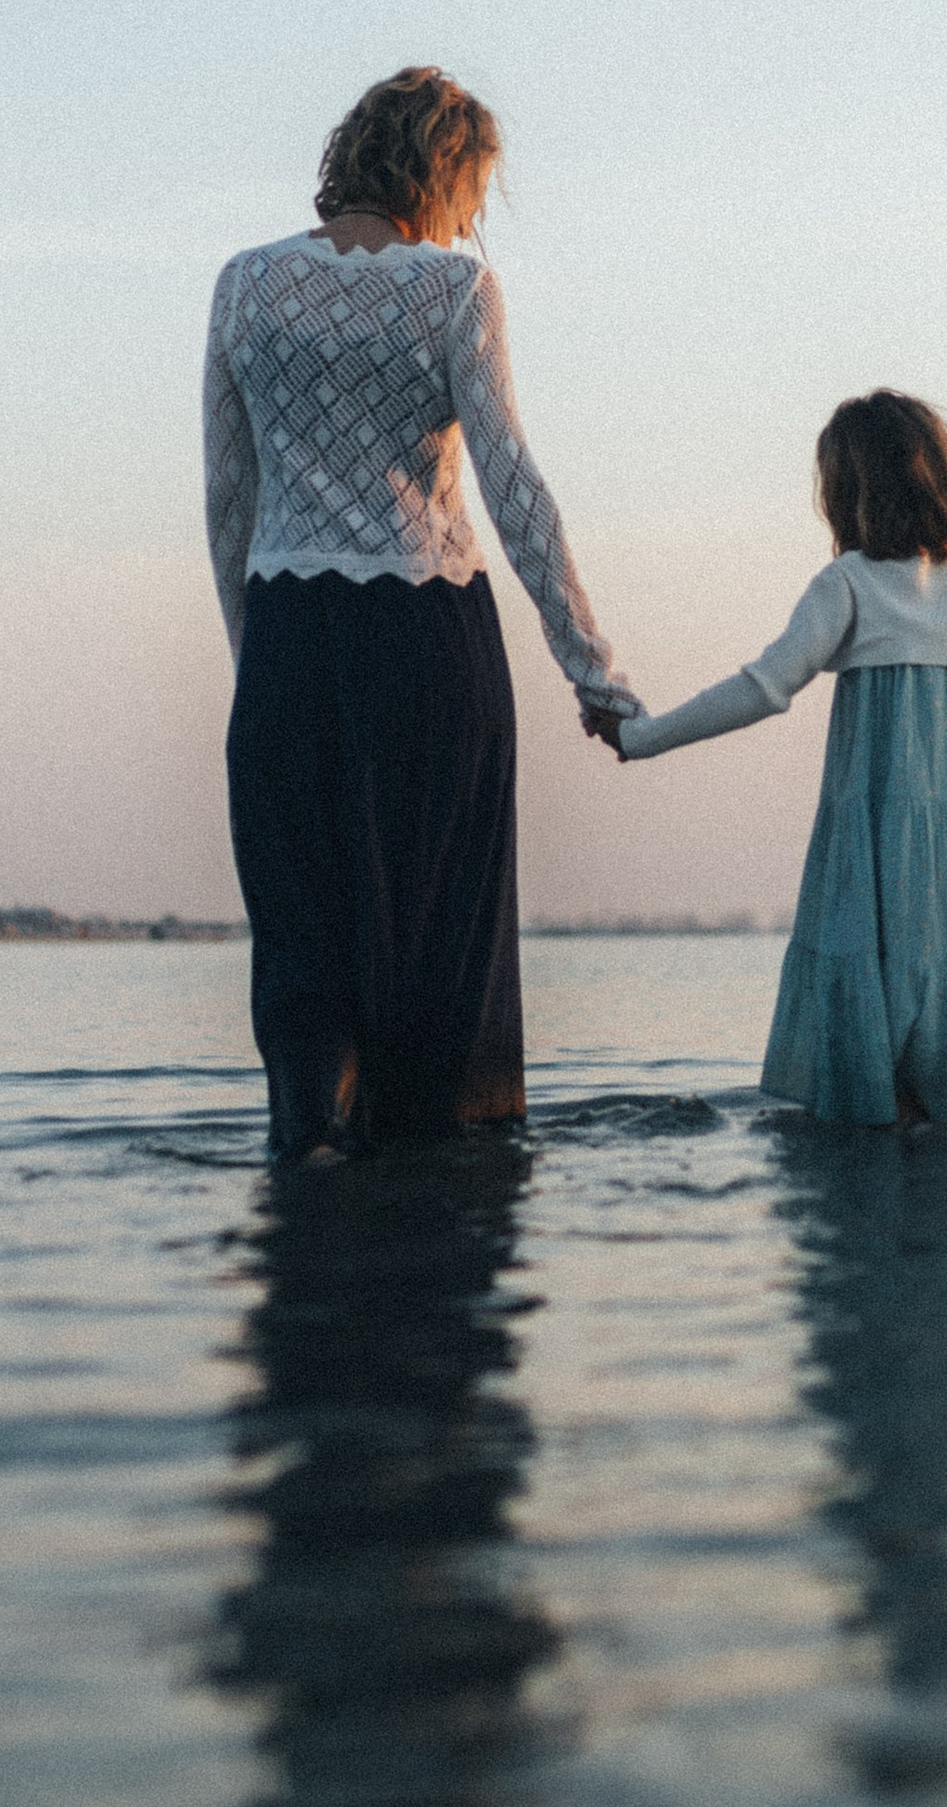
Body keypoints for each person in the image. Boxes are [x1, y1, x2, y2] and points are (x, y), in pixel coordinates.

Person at [205, 66, 641, 1157]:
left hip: (290, 640)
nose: (471, 220)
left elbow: (228, 497)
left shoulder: (245, 285)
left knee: (301, 942)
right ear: (443, 175)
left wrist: (254, 655)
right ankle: (444, 1229)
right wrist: (594, 673)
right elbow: (512, 485)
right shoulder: (453, 291)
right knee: (442, 939)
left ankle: (308, 1183)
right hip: (429, 639)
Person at [592, 389, 947, 1126]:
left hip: (877, 842)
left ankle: (883, 1179)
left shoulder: (849, 583)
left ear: (847, 492)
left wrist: (641, 736)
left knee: (875, 1056)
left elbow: (763, 687)